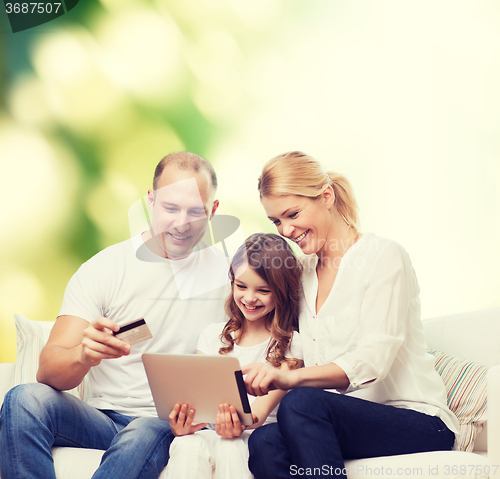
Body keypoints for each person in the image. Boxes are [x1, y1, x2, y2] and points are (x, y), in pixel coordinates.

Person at [0, 152, 230, 479]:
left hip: (164, 422)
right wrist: (83, 355)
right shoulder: (105, 268)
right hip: (101, 418)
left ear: (213, 211)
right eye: (170, 208)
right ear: (151, 201)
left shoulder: (232, 278)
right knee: (25, 399)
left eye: (196, 211)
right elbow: (48, 370)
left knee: (140, 433)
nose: (182, 223)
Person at [242, 151, 460, 478]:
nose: (285, 230)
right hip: (336, 419)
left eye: (292, 214)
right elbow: (281, 346)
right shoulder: (301, 274)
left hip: (418, 420)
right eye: (276, 221)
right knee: (264, 442)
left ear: (326, 196)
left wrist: (292, 379)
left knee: (301, 401)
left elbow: (372, 361)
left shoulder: (383, 256)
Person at [164, 234, 303, 479]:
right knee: (186, 444)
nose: (249, 298)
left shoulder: (292, 344)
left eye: (263, 290)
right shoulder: (212, 336)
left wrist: (235, 425)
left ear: (281, 291)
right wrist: (182, 423)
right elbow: (197, 400)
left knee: (230, 447)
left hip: (257, 438)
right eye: (241, 286)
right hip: (212, 434)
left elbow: (258, 415)